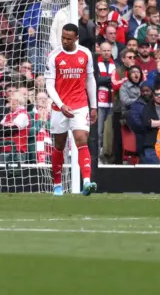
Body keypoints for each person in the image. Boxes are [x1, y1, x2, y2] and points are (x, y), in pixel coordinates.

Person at [45, 23, 97, 195]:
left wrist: (94, 106)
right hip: (59, 107)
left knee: (81, 139)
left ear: (76, 38)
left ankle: (87, 182)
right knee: (59, 145)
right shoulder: (54, 56)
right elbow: (49, 85)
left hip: (80, 105)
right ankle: (57, 185)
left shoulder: (85, 54)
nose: (65, 41)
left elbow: (90, 80)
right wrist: (61, 105)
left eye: (68, 38)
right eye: (63, 37)